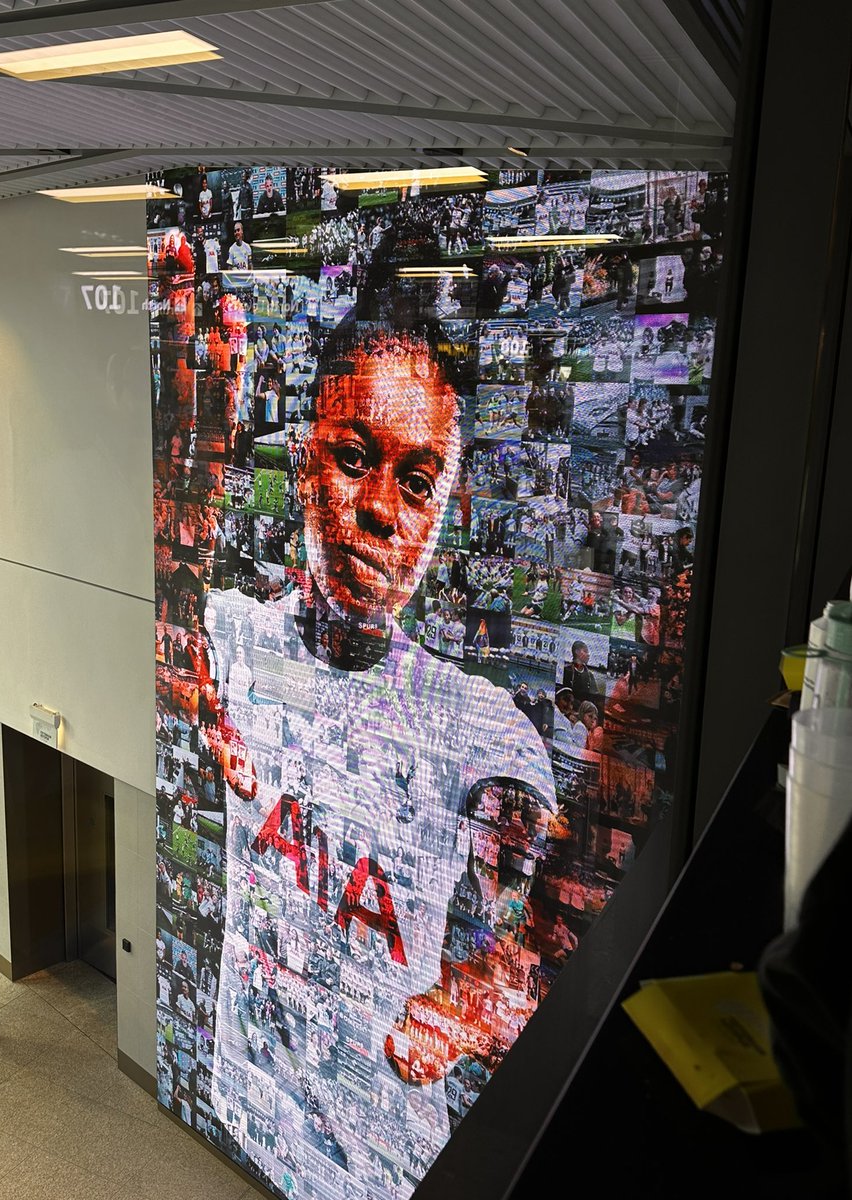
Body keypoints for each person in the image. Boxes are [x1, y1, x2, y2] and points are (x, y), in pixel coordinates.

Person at [195, 331, 560, 1200]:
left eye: (420, 481)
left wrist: (490, 984)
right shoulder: (234, 639)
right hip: (242, 1111)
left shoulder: (477, 724)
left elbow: (537, 877)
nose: (382, 513)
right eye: (356, 459)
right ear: (307, 460)